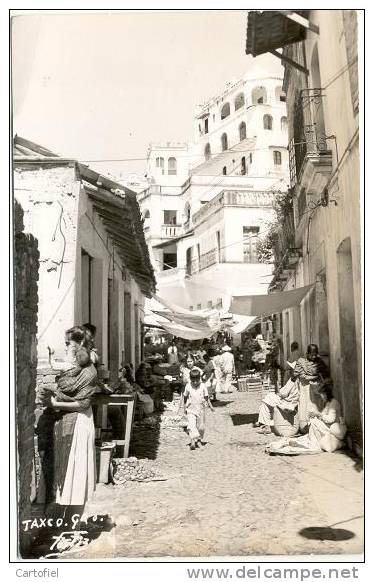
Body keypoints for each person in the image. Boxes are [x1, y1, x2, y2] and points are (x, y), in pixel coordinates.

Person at [43, 333, 98, 525]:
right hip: (68, 423)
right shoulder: (72, 372)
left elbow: (83, 404)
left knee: (78, 472)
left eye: (68, 348)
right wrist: (56, 402)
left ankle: (76, 522)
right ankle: (68, 521)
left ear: (76, 352)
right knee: (68, 471)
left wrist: (55, 403)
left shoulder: (88, 373)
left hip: (80, 424)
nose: (65, 350)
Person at [266, 381, 346, 455]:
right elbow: (324, 417)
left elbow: (330, 419)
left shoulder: (333, 403)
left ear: (326, 394)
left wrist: (318, 414)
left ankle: (314, 442)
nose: (322, 397)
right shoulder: (328, 403)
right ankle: (313, 440)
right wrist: (316, 415)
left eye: (323, 394)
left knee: (314, 422)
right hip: (328, 426)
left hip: (333, 428)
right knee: (312, 420)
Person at [291, 344, 329, 432]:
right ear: (307, 353)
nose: (314, 356)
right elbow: (295, 375)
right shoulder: (301, 361)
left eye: (315, 354)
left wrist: (315, 377)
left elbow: (325, 373)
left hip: (316, 389)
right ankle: (305, 428)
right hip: (305, 388)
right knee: (305, 407)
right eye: (312, 354)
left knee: (316, 407)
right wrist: (302, 376)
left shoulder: (319, 361)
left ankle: (317, 426)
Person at [183, 368, 214, 450]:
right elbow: (185, 396)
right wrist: (184, 406)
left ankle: (199, 440)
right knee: (192, 425)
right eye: (193, 381)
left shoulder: (203, 386)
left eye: (197, 380)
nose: (195, 383)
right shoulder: (188, 386)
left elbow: (206, 397)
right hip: (191, 409)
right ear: (190, 380)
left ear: (199, 379)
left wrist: (211, 406)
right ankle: (193, 441)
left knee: (201, 427)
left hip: (201, 409)